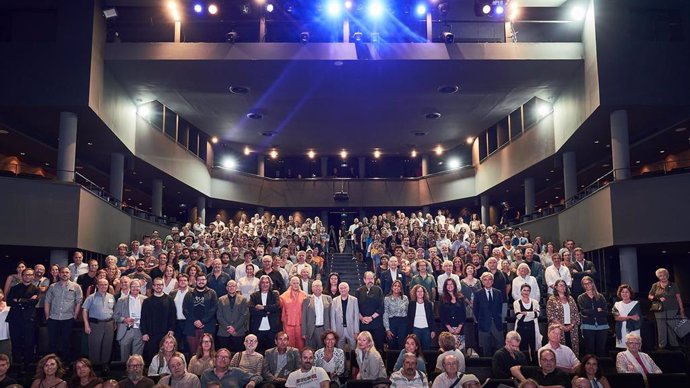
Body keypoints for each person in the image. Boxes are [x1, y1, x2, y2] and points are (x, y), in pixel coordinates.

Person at [44, 267, 83, 364]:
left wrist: (75, 316)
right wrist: (47, 316)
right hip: (53, 318)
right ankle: (52, 364)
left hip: (68, 318)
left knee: (66, 343)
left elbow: (79, 302)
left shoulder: (76, 287)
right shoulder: (53, 286)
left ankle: (65, 364)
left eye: (67, 272)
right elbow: (47, 301)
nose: (64, 274)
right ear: (59, 274)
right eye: (62, 272)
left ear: (70, 274)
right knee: (52, 343)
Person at [7, 267, 39, 369]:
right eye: (26, 274)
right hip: (15, 319)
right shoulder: (14, 288)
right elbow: (9, 301)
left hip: (29, 319)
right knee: (15, 341)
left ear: (33, 277)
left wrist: (19, 300)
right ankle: (16, 363)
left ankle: (27, 365)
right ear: (22, 276)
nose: (27, 276)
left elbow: (34, 302)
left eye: (30, 275)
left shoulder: (36, 289)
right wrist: (27, 301)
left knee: (29, 342)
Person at [81, 278, 116, 370]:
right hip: (96, 324)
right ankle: (95, 365)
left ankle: (105, 364)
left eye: (106, 284)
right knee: (94, 345)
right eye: (101, 284)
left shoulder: (111, 297)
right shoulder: (91, 297)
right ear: (97, 286)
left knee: (107, 345)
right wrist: (86, 324)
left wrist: (114, 323)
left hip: (109, 324)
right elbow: (85, 310)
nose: (104, 286)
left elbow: (114, 310)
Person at [648, 267, 685, 349]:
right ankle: (662, 346)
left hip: (673, 309)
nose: (663, 277)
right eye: (661, 276)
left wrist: (682, 309)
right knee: (661, 328)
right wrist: (657, 298)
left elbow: (678, 297)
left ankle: (674, 345)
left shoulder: (673, 285)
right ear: (658, 277)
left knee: (671, 327)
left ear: (667, 275)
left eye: (664, 275)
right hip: (659, 309)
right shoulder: (655, 285)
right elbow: (650, 296)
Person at [182, 273, 218, 354]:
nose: (201, 282)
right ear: (195, 281)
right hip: (191, 327)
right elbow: (185, 309)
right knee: (193, 352)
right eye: (199, 280)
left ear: (206, 281)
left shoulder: (212, 293)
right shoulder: (189, 293)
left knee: (208, 352)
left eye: (203, 280)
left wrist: (203, 321)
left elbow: (214, 309)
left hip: (207, 327)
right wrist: (194, 321)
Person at [114, 279, 146, 360]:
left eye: (137, 286)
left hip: (139, 331)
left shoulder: (145, 299)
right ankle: (124, 373)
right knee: (124, 358)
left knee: (137, 358)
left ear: (140, 287)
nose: (135, 288)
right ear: (129, 287)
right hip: (126, 331)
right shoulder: (121, 300)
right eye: (133, 286)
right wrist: (124, 319)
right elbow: (115, 315)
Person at [546, 279, 580, 356]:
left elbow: (576, 314)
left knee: (572, 350)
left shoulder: (570, 298)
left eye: (564, 285)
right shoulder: (551, 299)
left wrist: (571, 325)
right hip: (558, 328)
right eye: (560, 285)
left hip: (571, 328)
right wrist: (562, 326)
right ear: (556, 287)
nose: (563, 287)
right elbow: (551, 315)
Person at [576, 276, 608, 357]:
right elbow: (583, 311)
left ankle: (600, 368)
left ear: (592, 283)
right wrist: (597, 310)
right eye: (584, 284)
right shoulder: (581, 297)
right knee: (589, 350)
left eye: (588, 283)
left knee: (601, 350)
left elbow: (605, 312)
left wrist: (590, 312)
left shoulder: (600, 297)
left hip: (602, 326)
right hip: (588, 326)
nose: (587, 285)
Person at [249, 275, 283, 352]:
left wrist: (263, 308)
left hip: (272, 329)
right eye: (263, 283)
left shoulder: (274, 295)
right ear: (260, 284)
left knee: (271, 351)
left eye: (267, 282)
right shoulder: (254, 296)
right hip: (258, 329)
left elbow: (277, 306)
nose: (265, 284)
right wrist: (267, 312)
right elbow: (252, 310)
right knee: (259, 351)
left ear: (270, 284)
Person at [474, 272, 504, 357]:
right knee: (485, 350)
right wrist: (481, 320)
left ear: (493, 281)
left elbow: (500, 308)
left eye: (490, 279)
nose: (488, 281)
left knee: (500, 349)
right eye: (485, 280)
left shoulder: (498, 293)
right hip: (483, 325)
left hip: (497, 324)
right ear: (482, 282)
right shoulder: (478, 293)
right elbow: (476, 310)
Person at [355, 272, 386, 351]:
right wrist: (362, 318)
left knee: (379, 347)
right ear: (364, 280)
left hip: (377, 324)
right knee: (364, 348)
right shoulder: (359, 291)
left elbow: (381, 307)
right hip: (364, 324)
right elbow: (355, 308)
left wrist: (371, 318)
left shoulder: (378, 290)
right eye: (368, 279)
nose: (370, 281)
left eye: (372, 278)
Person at [216, 280, 249, 352]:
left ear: (236, 287)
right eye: (229, 286)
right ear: (226, 288)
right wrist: (228, 328)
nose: (231, 287)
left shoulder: (243, 299)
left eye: (233, 286)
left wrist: (235, 328)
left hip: (238, 332)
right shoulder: (221, 299)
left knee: (238, 355)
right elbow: (219, 316)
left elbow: (244, 315)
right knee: (223, 355)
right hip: (224, 332)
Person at [513, 284, 542, 359]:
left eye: (528, 290)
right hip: (521, 328)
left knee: (534, 349)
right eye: (524, 290)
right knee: (523, 349)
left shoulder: (535, 302)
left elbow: (537, 314)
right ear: (521, 291)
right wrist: (532, 314)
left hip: (532, 327)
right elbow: (519, 316)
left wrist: (526, 313)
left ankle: (534, 365)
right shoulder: (516, 303)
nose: (526, 292)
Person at [302, 280, 332, 349]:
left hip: (324, 329)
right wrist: (303, 332)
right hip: (311, 330)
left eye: (319, 286)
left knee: (323, 350)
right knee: (311, 350)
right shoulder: (306, 299)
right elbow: (304, 317)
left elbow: (331, 315)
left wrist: (331, 330)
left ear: (322, 288)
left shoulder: (328, 298)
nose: (317, 288)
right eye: (315, 286)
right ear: (312, 288)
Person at [280, 277, 308, 350]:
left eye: (297, 283)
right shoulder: (283, 296)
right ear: (290, 284)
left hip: (300, 325)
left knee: (301, 345)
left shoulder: (305, 295)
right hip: (288, 325)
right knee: (289, 346)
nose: (296, 285)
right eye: (294, 283)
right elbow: (281, 311)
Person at [330, 282, 360, 350]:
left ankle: (352, 361)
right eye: (341, 288)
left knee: (353, 350)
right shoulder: (334, 300)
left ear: (348, 289)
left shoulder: (354, 300)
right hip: (339, 330)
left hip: (351, 330)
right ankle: (342, 361)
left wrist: (356, 331)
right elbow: (332, 317)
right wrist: (334, 331)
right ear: (339, 289)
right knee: (340, 350)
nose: (343, 289)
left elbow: (356, 317)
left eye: (345, 288)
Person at [439, 278, 466, 352]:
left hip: (459, 329)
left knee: (460, 352)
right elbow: (441, 314)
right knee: (447, 352)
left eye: (451, 284)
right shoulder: (442, 297)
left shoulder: (461, 297)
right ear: (445, 286)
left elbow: (463, 314)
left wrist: (459, 327)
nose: (449, 286)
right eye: (447, 284)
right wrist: (449, 328)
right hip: (446, 329)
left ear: (454, 285)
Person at [407, 285, 436, 350]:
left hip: (426, 329)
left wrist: (433, 330)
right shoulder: (411, 304)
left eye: (421, 291)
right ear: (415, 293)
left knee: (426, 349)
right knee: (416, 350)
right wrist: (409, 331)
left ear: (424, 293)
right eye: (418, 291)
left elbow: (432, 317)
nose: (420, 293)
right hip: (415, 329)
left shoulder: (428, 304)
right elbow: (409, 319)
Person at [613, 284, 641, 349]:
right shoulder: (617, 304)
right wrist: (630, 317)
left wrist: (622, 318)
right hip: (621, 330)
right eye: (622, 292)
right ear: (620, 293)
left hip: (633, 330)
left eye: (626, 292)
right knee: (623, 351)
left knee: (634, 350)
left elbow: (636, 318)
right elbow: (617, 318)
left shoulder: (635, 304)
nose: (624, 294)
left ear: (630, 293)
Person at [383, 280, 409, 351]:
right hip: (392, 322)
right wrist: (387, 329)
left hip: (403, 323)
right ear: (392, 287)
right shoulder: (387, 299)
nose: (397, 287)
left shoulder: (405, 298)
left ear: (401, 289)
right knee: (391, 344)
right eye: (395, 285)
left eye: (399, 286)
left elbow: (407, 312)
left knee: (402, 344)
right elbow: (385, 313)